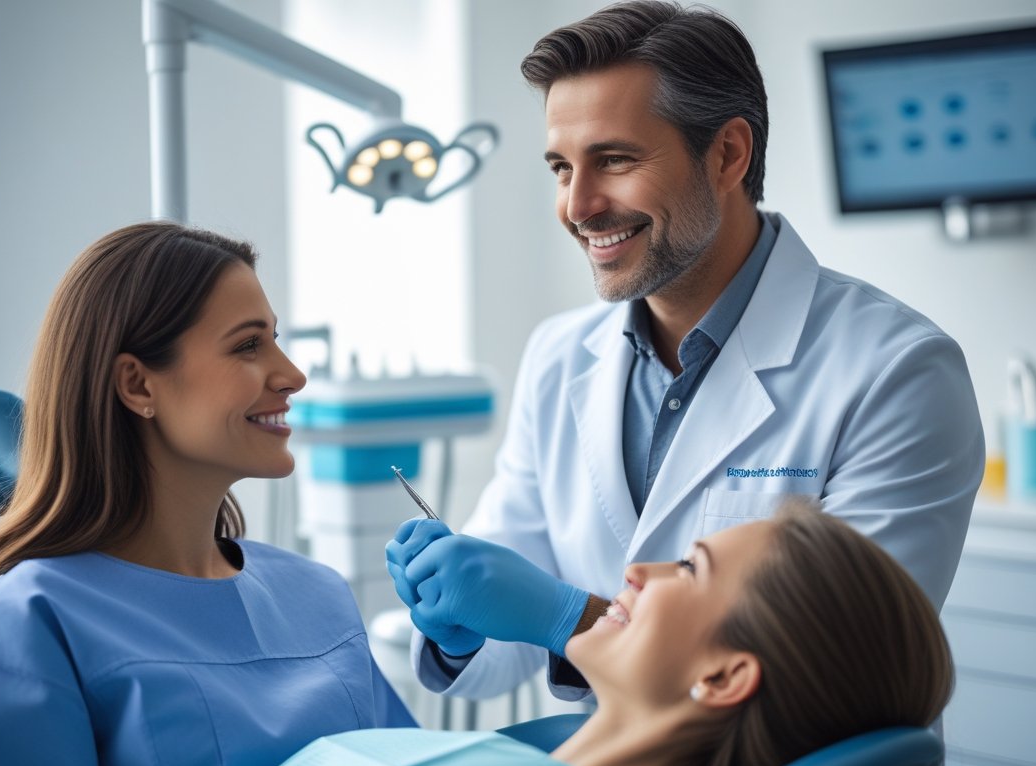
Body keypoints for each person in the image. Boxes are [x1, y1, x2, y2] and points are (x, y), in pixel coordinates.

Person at [387, 0, 982, 700]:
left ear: (728, 154)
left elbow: (839, 670)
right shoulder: (557, 357)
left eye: (614, 160)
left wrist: (568, 618)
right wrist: (463, 625)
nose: (578, 206)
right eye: (560, 168)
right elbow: (506, 611)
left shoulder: (897, 371)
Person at [0, 222, 416, 766]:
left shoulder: (317, 593)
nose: (291, 375)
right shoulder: (26, 626)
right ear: (137, 383)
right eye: (247, 346)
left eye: (275, 341)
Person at [211, 503, 954, 766]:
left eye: (689, 569)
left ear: (725, 678)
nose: (636, 570)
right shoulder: (541, 765)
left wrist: (563, 614)